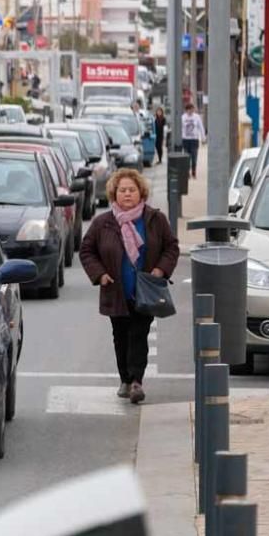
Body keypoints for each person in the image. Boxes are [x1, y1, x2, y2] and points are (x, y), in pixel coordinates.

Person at [79, 169, 180, 404]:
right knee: (120, 336)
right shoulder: (103, 223)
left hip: (145, 291)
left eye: (132, 190)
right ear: (114, 193)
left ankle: (136, 382)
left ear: (140, 192)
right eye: (122, 190)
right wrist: (100, 274)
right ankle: (124, 378)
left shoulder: (155, 219)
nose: (127, 194)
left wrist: (160, 270)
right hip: (116, 291)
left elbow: (171, 247)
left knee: (139, 334)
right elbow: (86, 250)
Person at [180, 102, 206, 178]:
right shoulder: (183, 117)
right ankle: (187, 172)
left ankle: (194, 171)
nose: (191, 111)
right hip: (186, 140)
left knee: (194, 157)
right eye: (189, 110)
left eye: (192, 109)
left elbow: (201, 127)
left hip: (194, 140)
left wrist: (203, 138)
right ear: (186, 110)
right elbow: (181, 128)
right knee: (187, 157)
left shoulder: (197, 117)